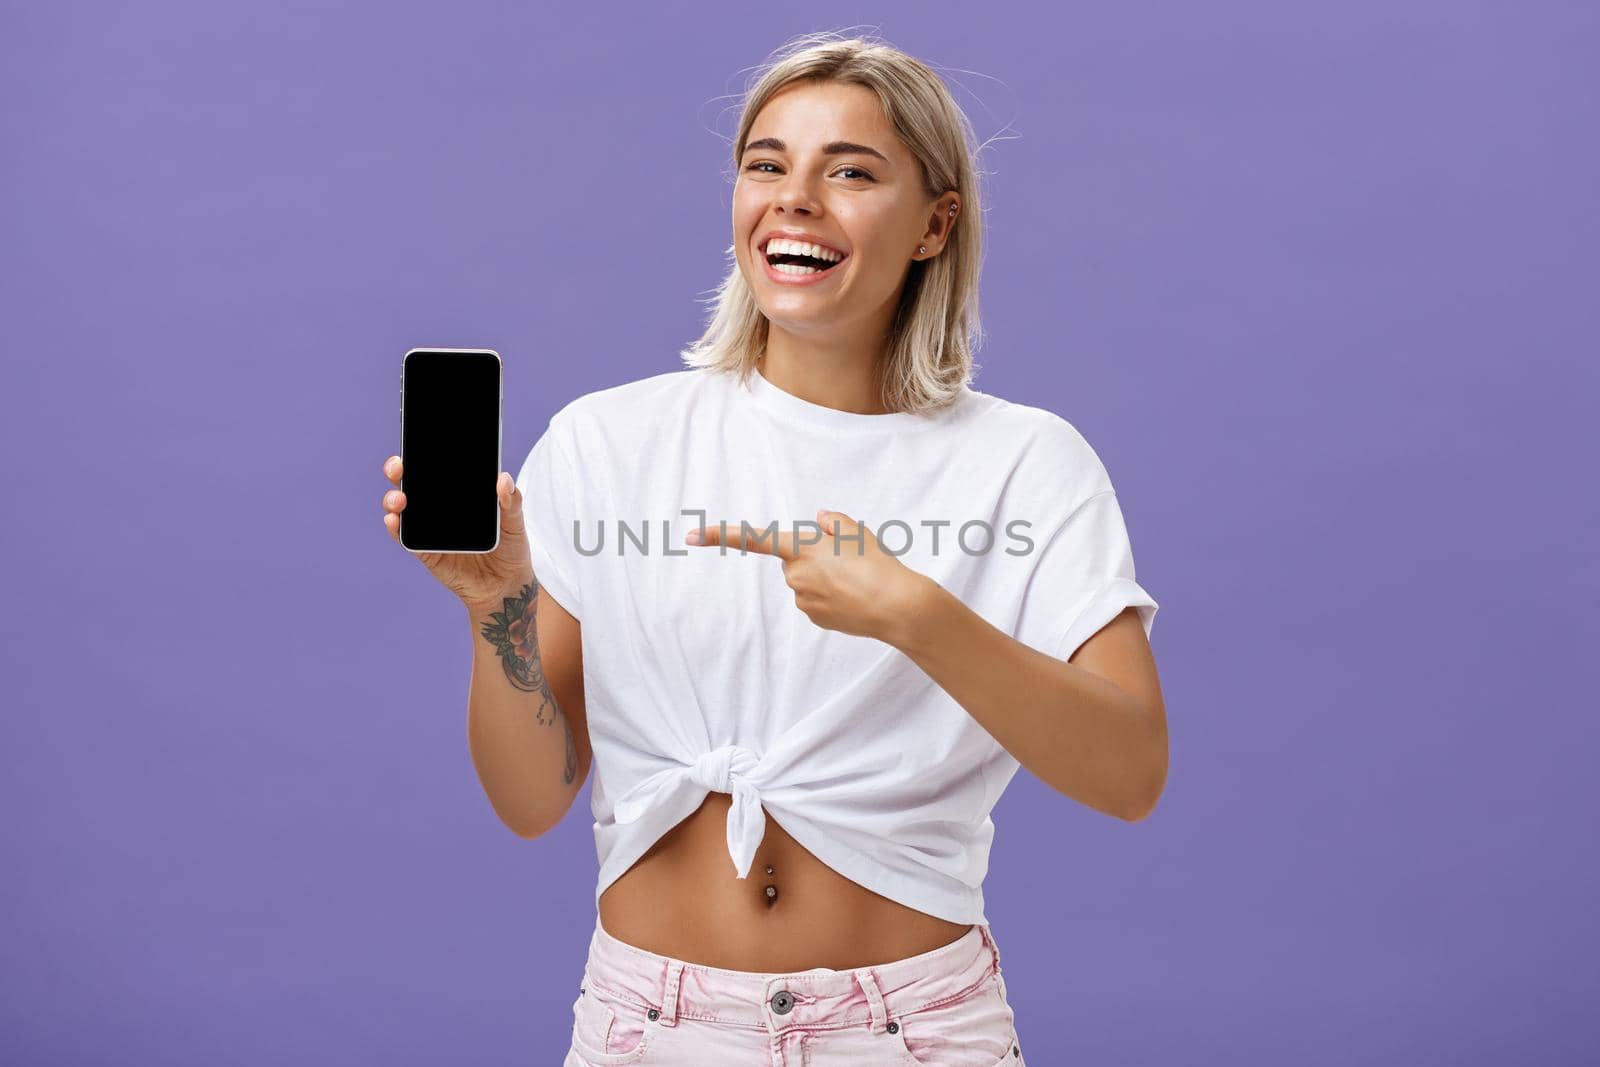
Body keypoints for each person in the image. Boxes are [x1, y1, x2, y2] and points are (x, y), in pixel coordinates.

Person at [381, 32, 1166, 1067]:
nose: (795, 197)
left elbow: (1129, 771)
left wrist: (915, 615)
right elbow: (534, 798)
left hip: (912, 1030)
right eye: (766, 164)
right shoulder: (608, 440)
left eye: (849, 171)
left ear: (936, 222)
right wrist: (498, 607)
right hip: (647, 1028)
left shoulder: (1026, 462)